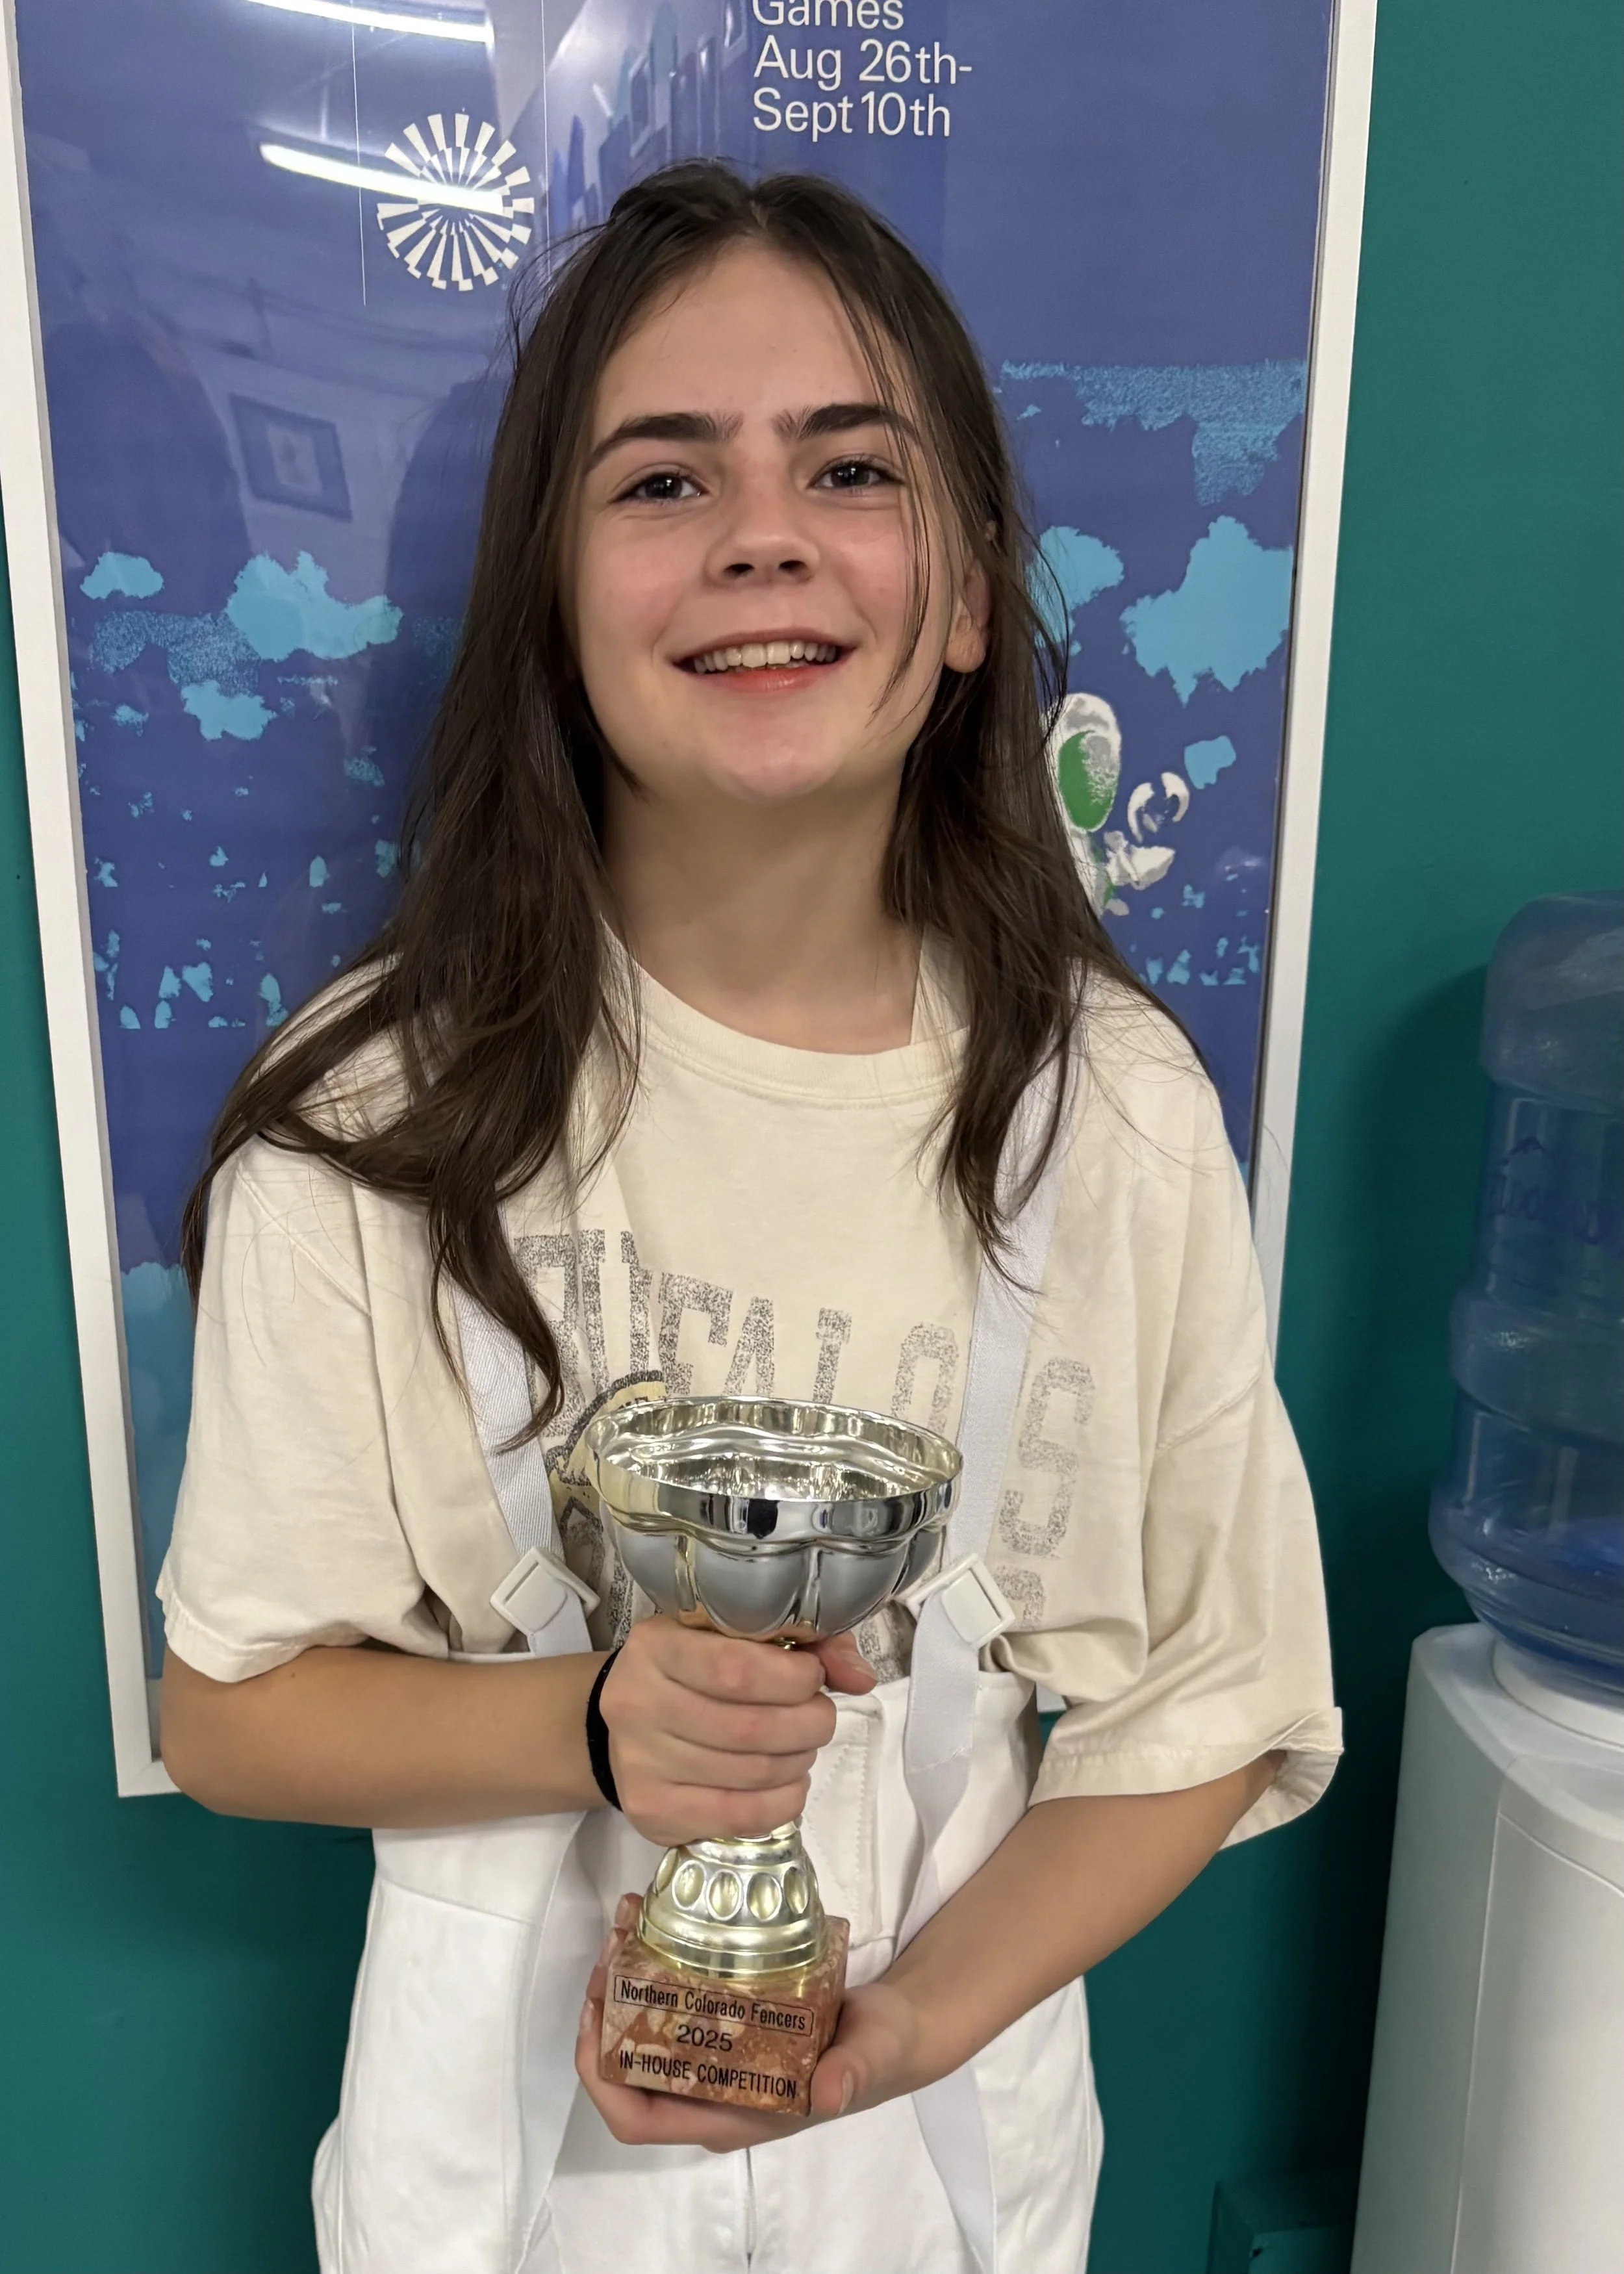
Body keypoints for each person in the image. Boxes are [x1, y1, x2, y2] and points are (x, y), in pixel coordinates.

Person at [157, 163, 1341, 2274]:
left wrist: (895, 2033)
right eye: (660, 478)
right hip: (492, 2180)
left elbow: (1218, 1696)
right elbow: (229, 1712)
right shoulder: (368, 1123)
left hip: (942, 2159)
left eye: (851, 464)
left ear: (967, 589)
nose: (762, 534)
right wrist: (593, 1721)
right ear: (546, 595)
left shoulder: (1117, 1120)